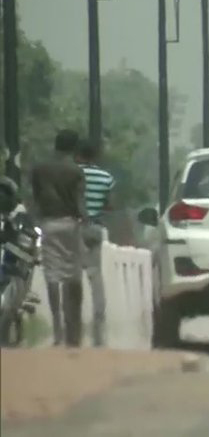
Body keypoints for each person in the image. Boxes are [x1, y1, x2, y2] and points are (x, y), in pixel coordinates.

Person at [28, 129, 87, 347]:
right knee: (72, 275)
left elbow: (35, 196)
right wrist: (87, 220)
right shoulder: (75, 171)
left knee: (52, 275)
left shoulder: (39, 169)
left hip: (48, 223)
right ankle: (73, 326)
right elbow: (80, 203)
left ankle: (57, 330)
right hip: (70, 224)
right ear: (73, 148)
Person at [77, 139, 115, 347]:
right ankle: (98, 316)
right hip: (95, 228)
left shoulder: (72, 174)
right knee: (95, 274)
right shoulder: (105, 177)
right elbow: (110, 205)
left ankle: (72, 317)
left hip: (75, 227)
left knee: (72, 272)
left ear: (78, 156)